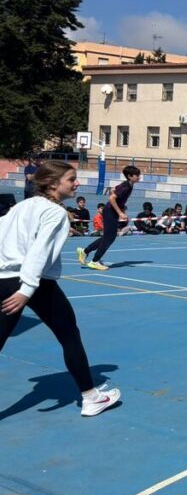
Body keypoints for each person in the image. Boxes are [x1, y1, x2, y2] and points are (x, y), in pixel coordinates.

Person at [0, 160, 122, 417]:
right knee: (69, 334)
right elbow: (39, 253)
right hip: (34, 282)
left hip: (3, 278)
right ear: (52, 183)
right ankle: (91, 397)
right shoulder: (54, 213)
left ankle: (91, 395)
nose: (77, 183)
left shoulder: (20, 207)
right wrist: (27, 289)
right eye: (71, 179)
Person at [78, 165, 141, 271]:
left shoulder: (128, 185)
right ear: (130, 176)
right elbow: (111, 197)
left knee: (107, 237)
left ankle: (85, 251)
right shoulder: (126, 186)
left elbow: (112, 190)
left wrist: (121, 205)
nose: (139, 177)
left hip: (111, 212)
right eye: (137, 175)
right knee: (109, 238)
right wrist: (120, 212)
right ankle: (94, 261)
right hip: (110, 212)